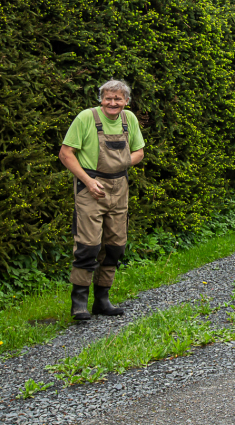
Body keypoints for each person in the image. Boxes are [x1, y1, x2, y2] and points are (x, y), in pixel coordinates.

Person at [58, 79, 145, 320]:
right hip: (91, 187)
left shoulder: (130, 120)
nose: (113, 103)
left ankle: (102, 300)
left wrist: (124, 162)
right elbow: (66, 154)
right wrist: (87, 180)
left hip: (119, 187)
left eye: (118, 99)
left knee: (115, 246)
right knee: (88, 246)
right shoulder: (86, 118)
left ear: (126, 101)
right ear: (101, 99)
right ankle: (79, 303)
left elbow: (139, 152)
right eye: (108, 98)